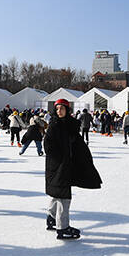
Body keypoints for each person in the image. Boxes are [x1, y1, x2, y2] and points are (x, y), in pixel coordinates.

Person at [44, 99, 102, 239]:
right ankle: (62, 228)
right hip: (58, 165)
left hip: (66, 164)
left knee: (57, 192)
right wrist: (61, 159)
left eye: (62, 109)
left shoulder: (70, 125)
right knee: (64, 195)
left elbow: (76, 143)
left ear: (67, 110)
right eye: (57, 109)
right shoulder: (54, 125)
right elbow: (48, 146)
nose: (59, 111)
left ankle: (51, 218)